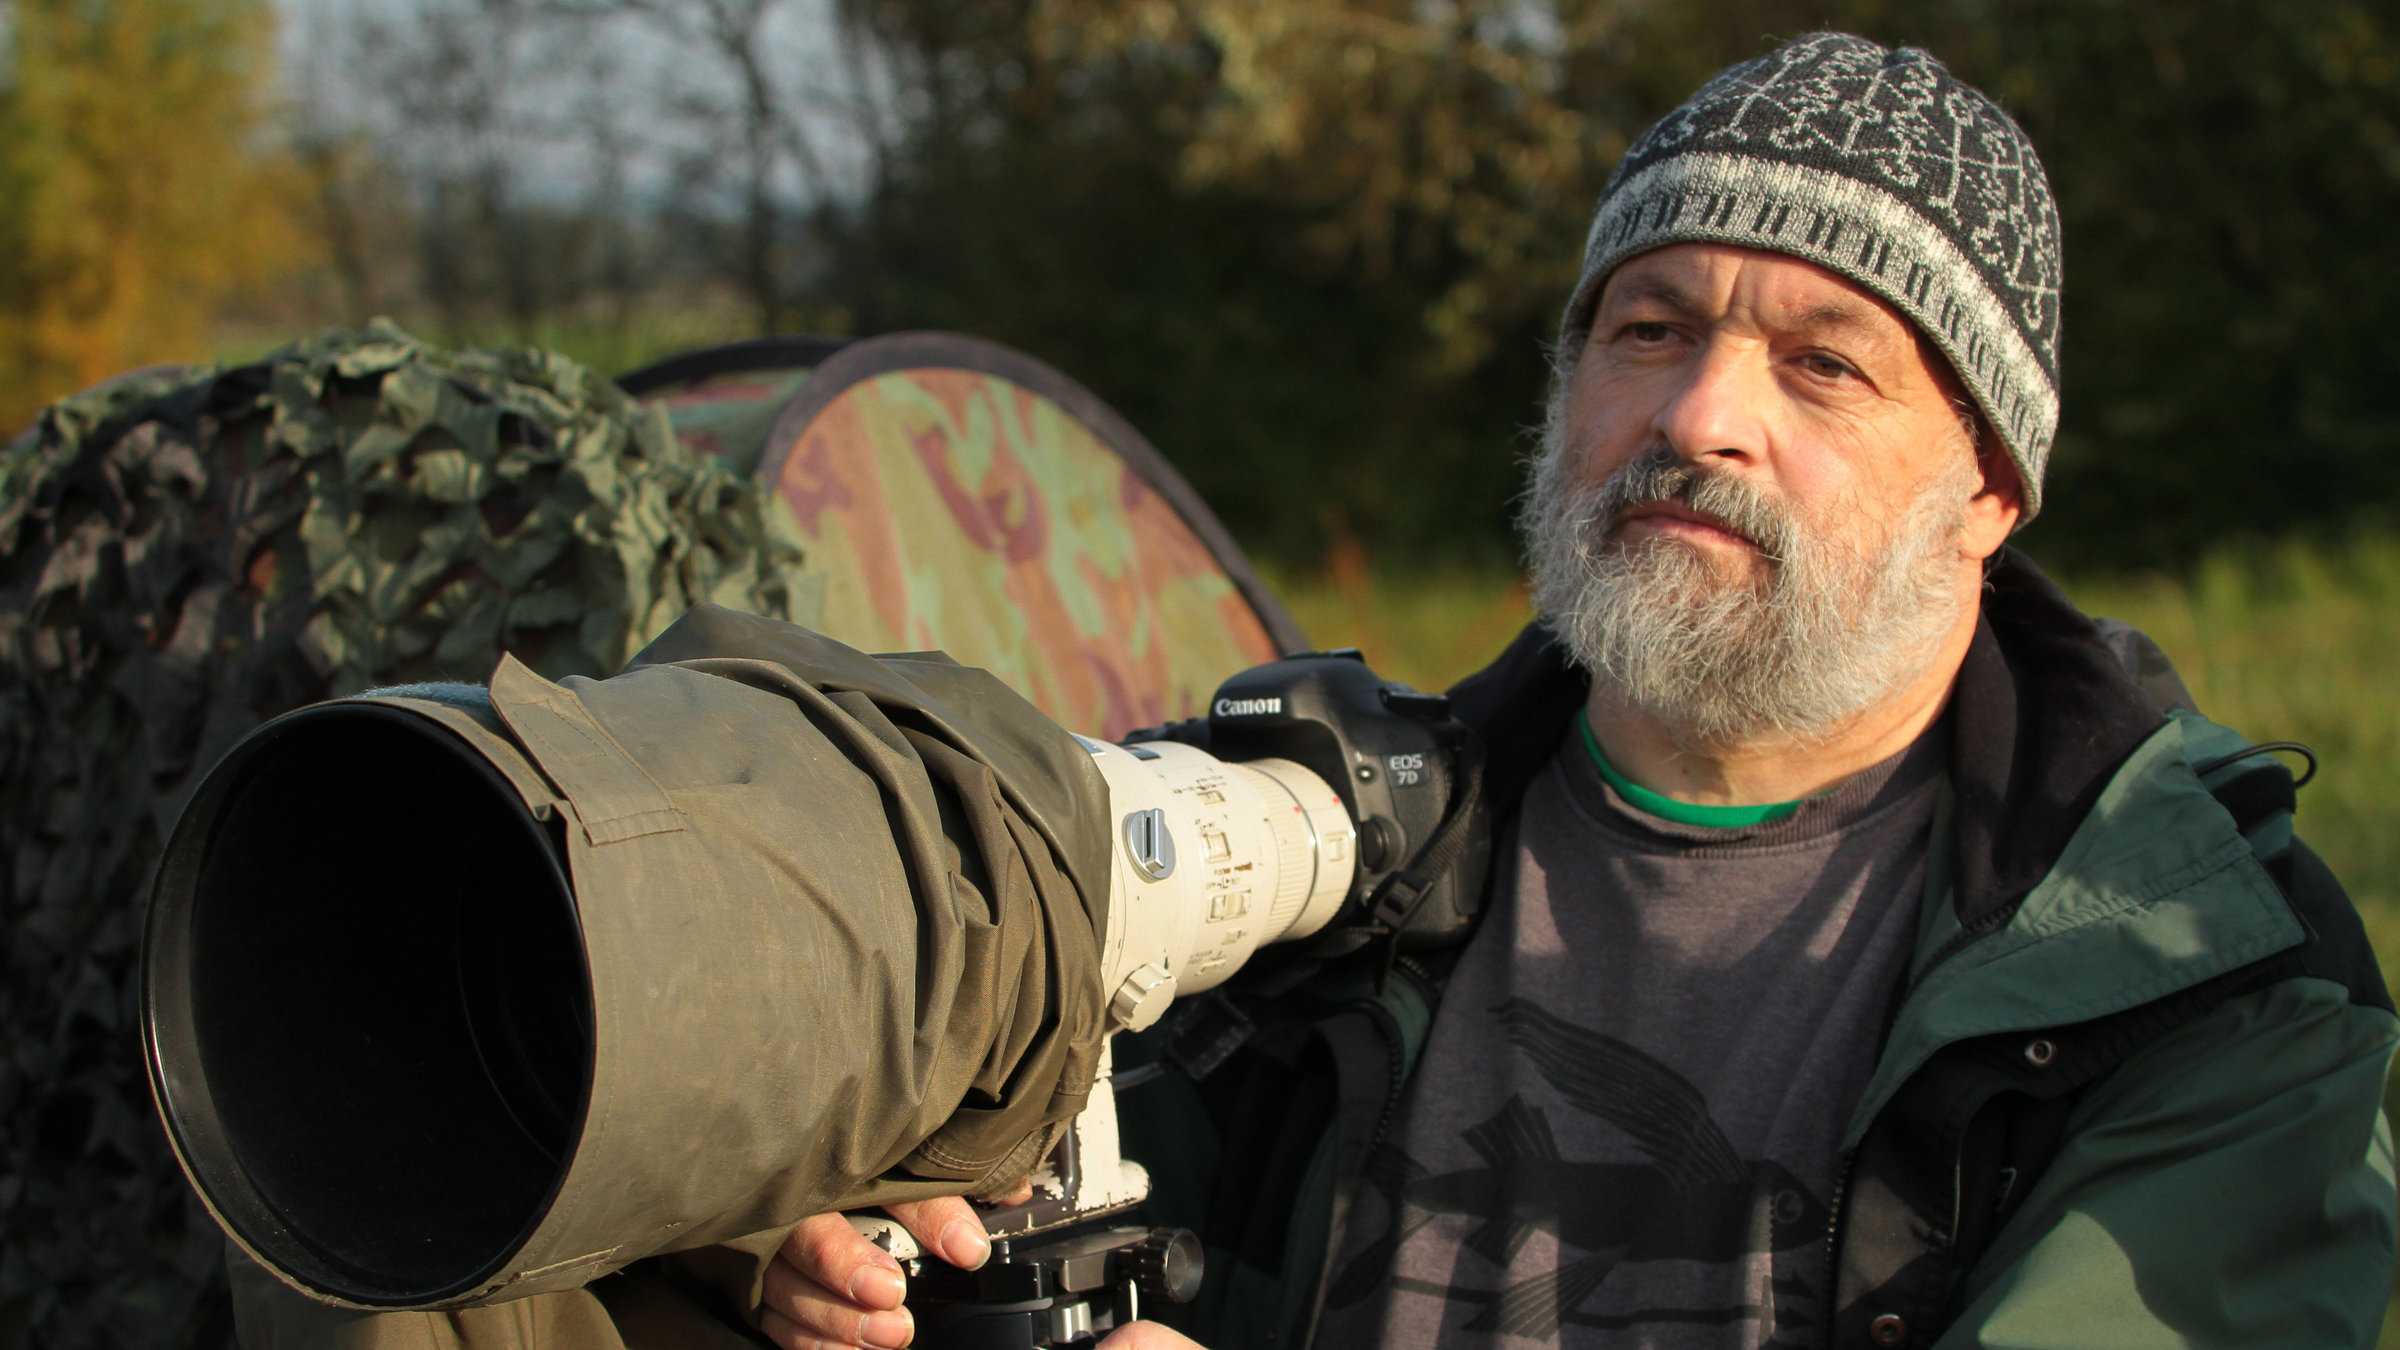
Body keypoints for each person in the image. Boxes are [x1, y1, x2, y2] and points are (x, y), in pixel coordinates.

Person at [767, 31, 2399, 1350]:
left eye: (1824, 360)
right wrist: (837, 1250)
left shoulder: (2192, 982)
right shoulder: (1319, 860)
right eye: (1648, 325)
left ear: (1987, 487)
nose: (1700, 412)